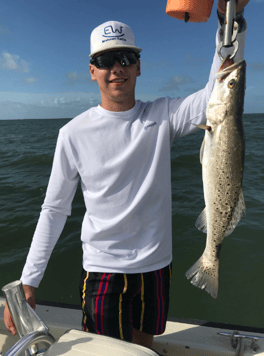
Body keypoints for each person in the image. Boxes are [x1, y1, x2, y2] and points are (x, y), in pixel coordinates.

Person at [5, 0, 250, 349]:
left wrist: (232, 19)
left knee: (143, 344)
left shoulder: (163, 115)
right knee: (109, 350)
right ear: (92, 70)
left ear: (138, 67)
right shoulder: (73, 134)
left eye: (126, 59)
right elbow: (54, 210)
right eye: (106, 61)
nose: (116, 68)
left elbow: (220, 89)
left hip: (155, 266)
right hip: (103, 270)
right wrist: (30, 280)